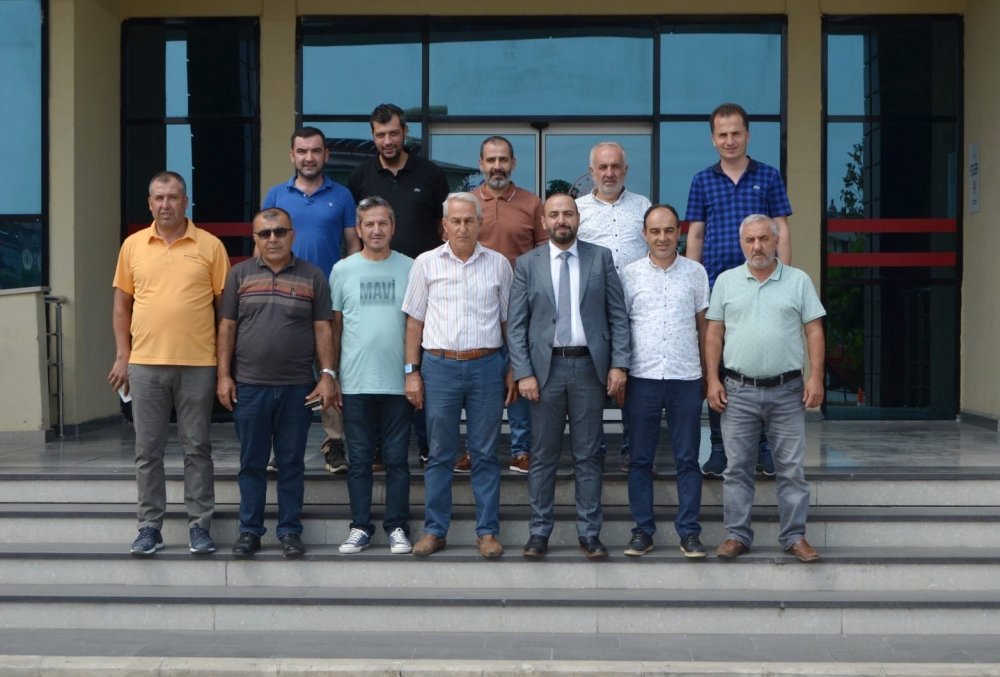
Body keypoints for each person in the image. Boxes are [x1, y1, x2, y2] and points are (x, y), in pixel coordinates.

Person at [108, 171, 230, 557]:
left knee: (197, 448)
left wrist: (223, 368)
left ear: (185, 201)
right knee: (148, 451)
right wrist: (123, 356)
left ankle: (199, 526)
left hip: (198, 364)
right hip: (145, 364)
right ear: (149, 204)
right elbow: (121, 307)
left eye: (173, 197)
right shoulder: (133, 246)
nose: (166, 205)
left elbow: (225, 314)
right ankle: (149, 527)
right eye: (159, 198)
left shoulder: (210, 246)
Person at [507, 193, 630, 560]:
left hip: (588, 370)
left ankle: (589, 533)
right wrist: (523, 372)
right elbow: (516, 325)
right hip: (543, 373)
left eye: (568, 214)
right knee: (543, 456)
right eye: (554, 214)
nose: (561, 220)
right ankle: (539, 532)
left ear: (578, 218)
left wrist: (619, 364)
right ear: (544, 222)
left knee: (588, 456)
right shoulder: (527, 263)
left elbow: (617, 315)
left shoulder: (601, 258)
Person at [216, 208, 336, 558]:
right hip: (249, 386)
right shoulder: (238, 275)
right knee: (252, 462)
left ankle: (289, 530)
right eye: (265, 234)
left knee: (291, 463)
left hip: (298, 387)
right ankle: (249, 531)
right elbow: (227, 327)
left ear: (292, 235)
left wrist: (327, 375)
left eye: (280, 232)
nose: (273, 239)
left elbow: (323, 328)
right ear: (254, 238)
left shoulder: (313, 276)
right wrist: (223, 376)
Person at [705, 214, 825, 564]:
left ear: (776, 241)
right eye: (750, 240)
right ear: (741, 244)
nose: (757, 246)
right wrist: (712, 379)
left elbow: (814, 331)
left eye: (763, 239)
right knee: (737, 468)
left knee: (791, 469)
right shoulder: (726, 281)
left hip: (787, 390)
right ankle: (736, 535)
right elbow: (714, 334)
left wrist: (816, 378)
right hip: (738, 390)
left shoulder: (798, 281)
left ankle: (794, 537)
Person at [401, 192, 514, 559]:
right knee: (439, 454)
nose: (462, 227)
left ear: (480, 224)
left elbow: (507, 322)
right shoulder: (425, 263)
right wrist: (412, 372)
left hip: (486, 365)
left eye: (469, 221)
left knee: (484, 453)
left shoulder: (498, 265)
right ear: (445, 225)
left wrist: (513, 367)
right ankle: (435, 530)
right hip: (440, 367)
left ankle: (487, 532)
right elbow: (414, 322)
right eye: (456, 221)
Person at [686, 102, 792, 479]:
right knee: (718, 366)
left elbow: (781, 229)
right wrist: (694, 283)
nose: (729, 140)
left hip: (762, 285)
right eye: (722, 134)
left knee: (761, 364)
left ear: (747, 135)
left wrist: (784, 279)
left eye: (736, 133)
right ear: (713, 139)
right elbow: (696, 234)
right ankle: (718, 447)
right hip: (718, 287)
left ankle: (764, 447)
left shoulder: (769, 176)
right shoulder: (702, 180)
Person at [348, 103, 451, 466]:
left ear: (405, 132)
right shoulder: (360, 176)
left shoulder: (430, 173)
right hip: (376, 283)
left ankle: (427, 445)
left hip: (425, 281)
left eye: (393, 133)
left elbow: (442, 227)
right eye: (380, 135)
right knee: (381, 357)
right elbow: (355, 232)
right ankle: (378, 448)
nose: (387, 141)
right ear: (372, 136)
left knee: (420, 361)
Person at [262, 127, 358, 475]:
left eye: (315, 151)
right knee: (285, 372)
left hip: (328, 299)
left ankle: (334, 444)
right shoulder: (276, 195)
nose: (309, 157)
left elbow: (353, 246)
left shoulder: (342, 196)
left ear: (326, 155)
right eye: (302, 151)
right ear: (292, 155)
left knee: (330, 369)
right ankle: (282, 448)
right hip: (284, 297)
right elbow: (263, 244)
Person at [621, 204, 709, 558]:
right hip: (641, 378)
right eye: (655, 231)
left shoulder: (695, 272)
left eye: (669, 230)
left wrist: (710, 374)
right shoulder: (629, 275)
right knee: (640, 460)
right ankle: (643, 531)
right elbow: (620, 327)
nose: (662, 238)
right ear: (644, 234)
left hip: (685, 377)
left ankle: (689, 532)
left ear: (679, 233)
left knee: (687, 459)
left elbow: (705, 328)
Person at [330, 196, 414, 555]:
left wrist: (414, 372)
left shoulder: (412, 267)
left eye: (382, 223)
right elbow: (335, 327)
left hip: (398, 381)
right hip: (355, 381)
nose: (376, 230)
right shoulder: (342, 270)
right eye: (369, 224)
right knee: (359, 461)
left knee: (397, 460)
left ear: (392, 227)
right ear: (359, 230)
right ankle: (360, 527)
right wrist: (331, 374)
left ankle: (397, 526)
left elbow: (417, 325)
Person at [466, 135, 547, 475]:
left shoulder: (532, 203)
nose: (497, 166)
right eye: (491, 160)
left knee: (520, 375)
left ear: (513, 163)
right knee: (480, 384)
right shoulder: (466, 204)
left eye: (503, 159)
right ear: (481, 164)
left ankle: (521, 450)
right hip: (476, 308)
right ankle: (475, 450)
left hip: (521, 307)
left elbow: (544, 256)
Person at [575, 141, 651, 469]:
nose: (609, 173)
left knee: (633, 382)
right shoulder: (577, 210)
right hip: (591, 310)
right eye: (603, 167)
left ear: (626, 170)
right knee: (592, 383)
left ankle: (633, 450)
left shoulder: (643, 206)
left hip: (636, 309)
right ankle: (596, 449)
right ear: (591, 171)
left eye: (615, 166)